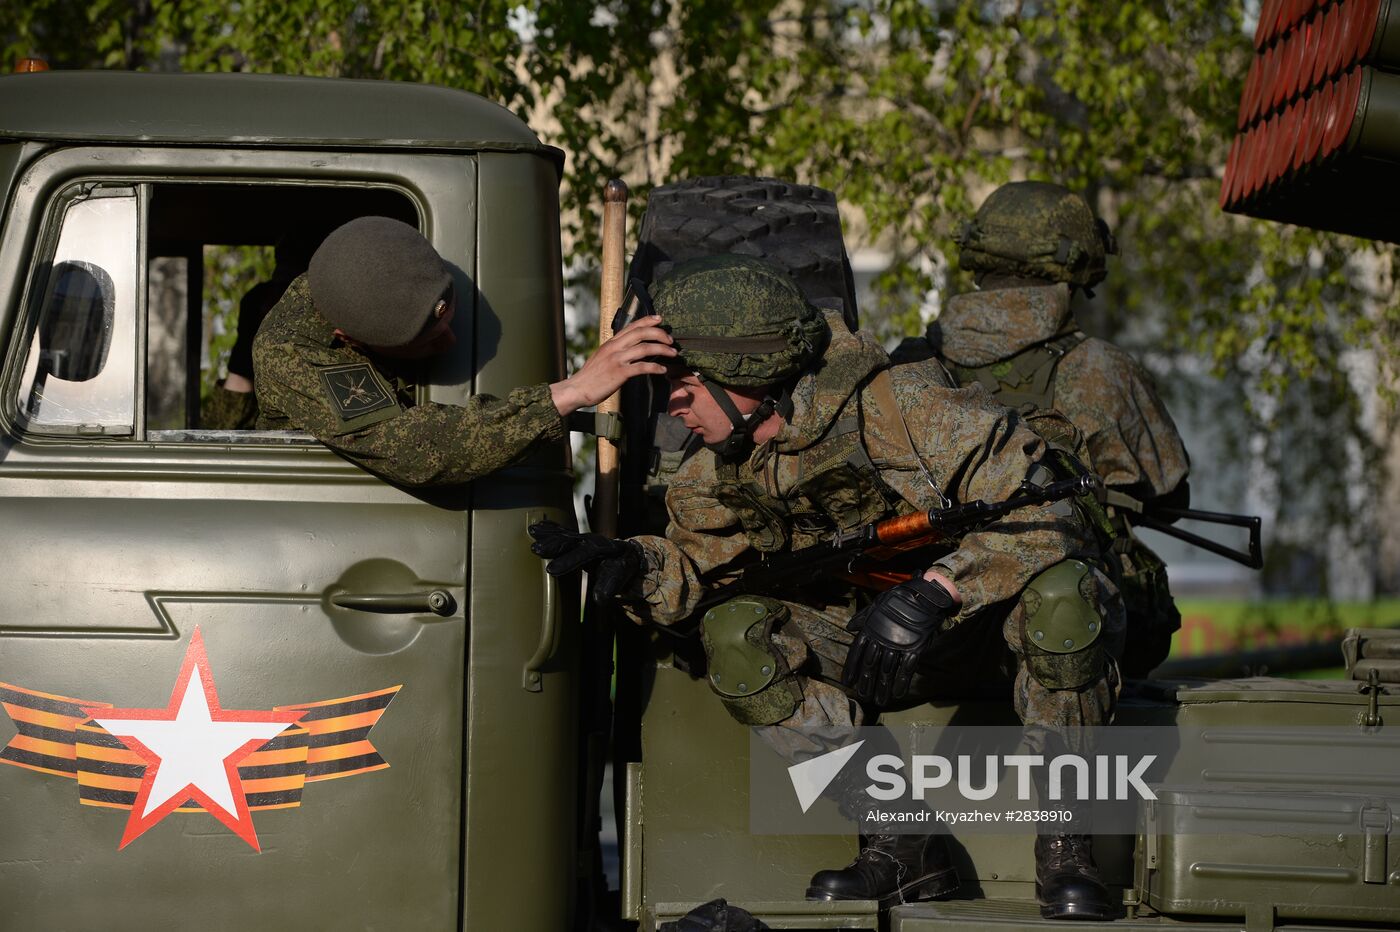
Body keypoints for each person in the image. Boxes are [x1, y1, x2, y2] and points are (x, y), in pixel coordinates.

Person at [530, 255, 1125, 920]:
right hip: (868, 647)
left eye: (683, 384)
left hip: (983, 632)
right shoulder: (715, 474)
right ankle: (901, 844)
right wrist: (630, 564)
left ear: (747, 375)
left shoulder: (904, 407)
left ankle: (1068, 848)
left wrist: (940, 589)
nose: (672, 404)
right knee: (736, 634)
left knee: (1068, 595)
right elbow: (695, 571)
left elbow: (1049, 513)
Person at [893, 181, 1190, 677]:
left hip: (925, 622)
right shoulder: (1100, 369)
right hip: (1062, 638)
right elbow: (1170, 496)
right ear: (1078, 265)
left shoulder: (907, 365)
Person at [253, 215, 674, 485]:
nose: (449, 343)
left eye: (448, 323)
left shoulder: (378, 269)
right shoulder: (293, 354)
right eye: (431, 341)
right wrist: (571, 392)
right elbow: (418, 449)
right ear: (350, 339)